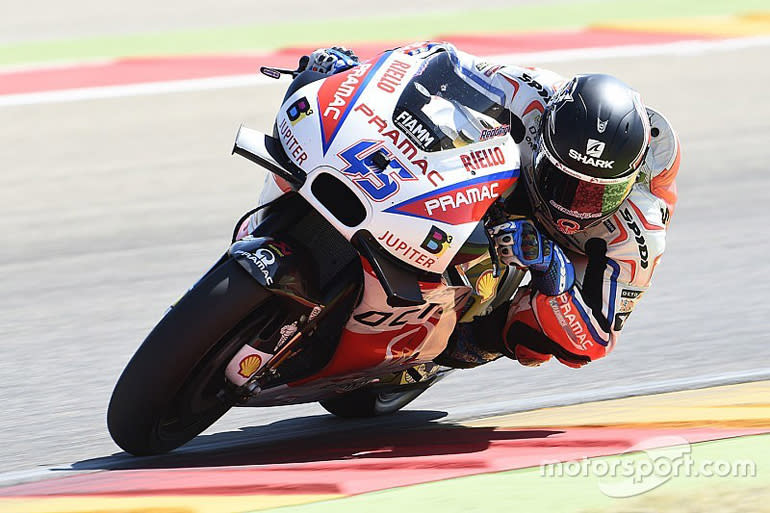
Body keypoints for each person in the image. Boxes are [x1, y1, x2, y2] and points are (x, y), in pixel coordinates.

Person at [278, 42, 681, 369]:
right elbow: (431, 64)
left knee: (535, 341)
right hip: (491, 186)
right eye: (564, 182)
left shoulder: (639, 230)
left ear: (627, 183)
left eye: (596, 195)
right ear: (546, 140)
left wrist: (554, 271)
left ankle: (466, 339)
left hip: (547, 260)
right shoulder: (531, 93)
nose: (574, 207)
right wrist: (354, 70)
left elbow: (592, 341)